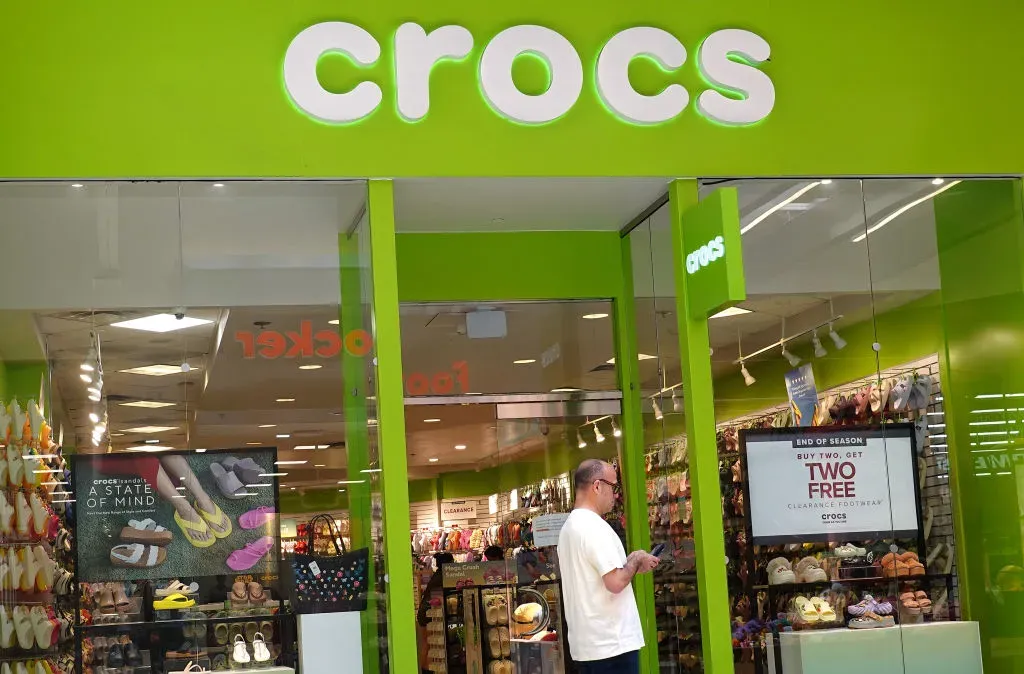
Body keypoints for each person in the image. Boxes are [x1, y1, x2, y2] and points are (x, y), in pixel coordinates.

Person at [557, 459, 659, 674]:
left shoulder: (570, 528)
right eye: (614, 487)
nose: (616, 495)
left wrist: (629, 564)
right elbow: (615, 582)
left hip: (587, 645)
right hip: (612, 644)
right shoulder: (594, 527)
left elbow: (593, 577)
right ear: (597, 486)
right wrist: (636, 559)